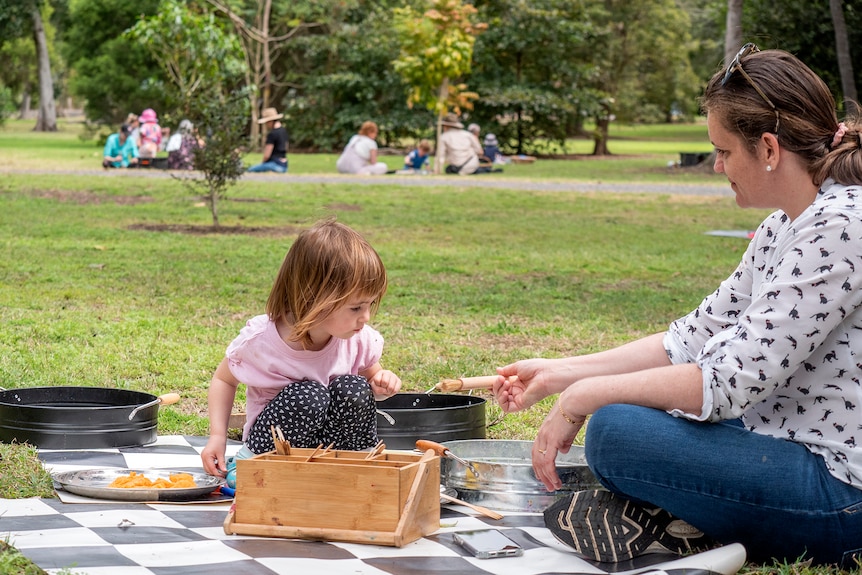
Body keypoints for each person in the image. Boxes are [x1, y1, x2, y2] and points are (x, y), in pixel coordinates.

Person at [492, 44, 862, 568]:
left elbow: (728, 383)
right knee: (639, 409)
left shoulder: (841, 226)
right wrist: (555, 374)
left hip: (842, 495)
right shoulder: (787, 223)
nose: (717, 166)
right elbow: (689, 339)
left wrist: (584, 397)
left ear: (770, 149)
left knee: (616, 431)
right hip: (780, 436)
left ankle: (683, 525)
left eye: (725, 150)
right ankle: (680, 521)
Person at [201, 218, 402, 483]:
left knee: (353, 388)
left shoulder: (357, 338)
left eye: (370, 305)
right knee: (309, 396)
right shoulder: (263, 340)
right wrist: (217, 436)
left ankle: (355, 467)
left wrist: (380, 381)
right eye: (356, 308)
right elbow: (224, 379)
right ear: (313, 298)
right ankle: (252, 464)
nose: (365, 317)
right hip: (275, 447)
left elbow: (369, 373)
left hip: (333, 450)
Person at [247, 107, 288, 173]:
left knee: (250, 169)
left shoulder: (272, 134)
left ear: (270, 121)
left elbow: (267, 155)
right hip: (284, 165)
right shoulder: (283, 131)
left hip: (274, 164)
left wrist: (262, 163)